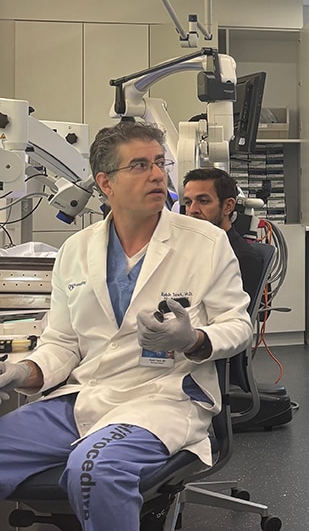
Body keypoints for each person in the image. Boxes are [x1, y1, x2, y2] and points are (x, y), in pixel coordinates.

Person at [0, 121, 252, 531]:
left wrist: (194, 339)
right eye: (139, 165)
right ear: (105, 183)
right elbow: (62, 343)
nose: (157, 174)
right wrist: (21, 372)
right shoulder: (75, 251)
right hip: (85, 396)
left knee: (95, 469)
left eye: (158, 163)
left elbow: (237, 325)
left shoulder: (205, 242)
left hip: (162, 397)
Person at [182, 166, 265, 306]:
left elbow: (239, 319)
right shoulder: (187, 248)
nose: (192, 210)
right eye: (188, 202)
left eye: (203, 201)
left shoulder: (242, 257)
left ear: (228, 206)